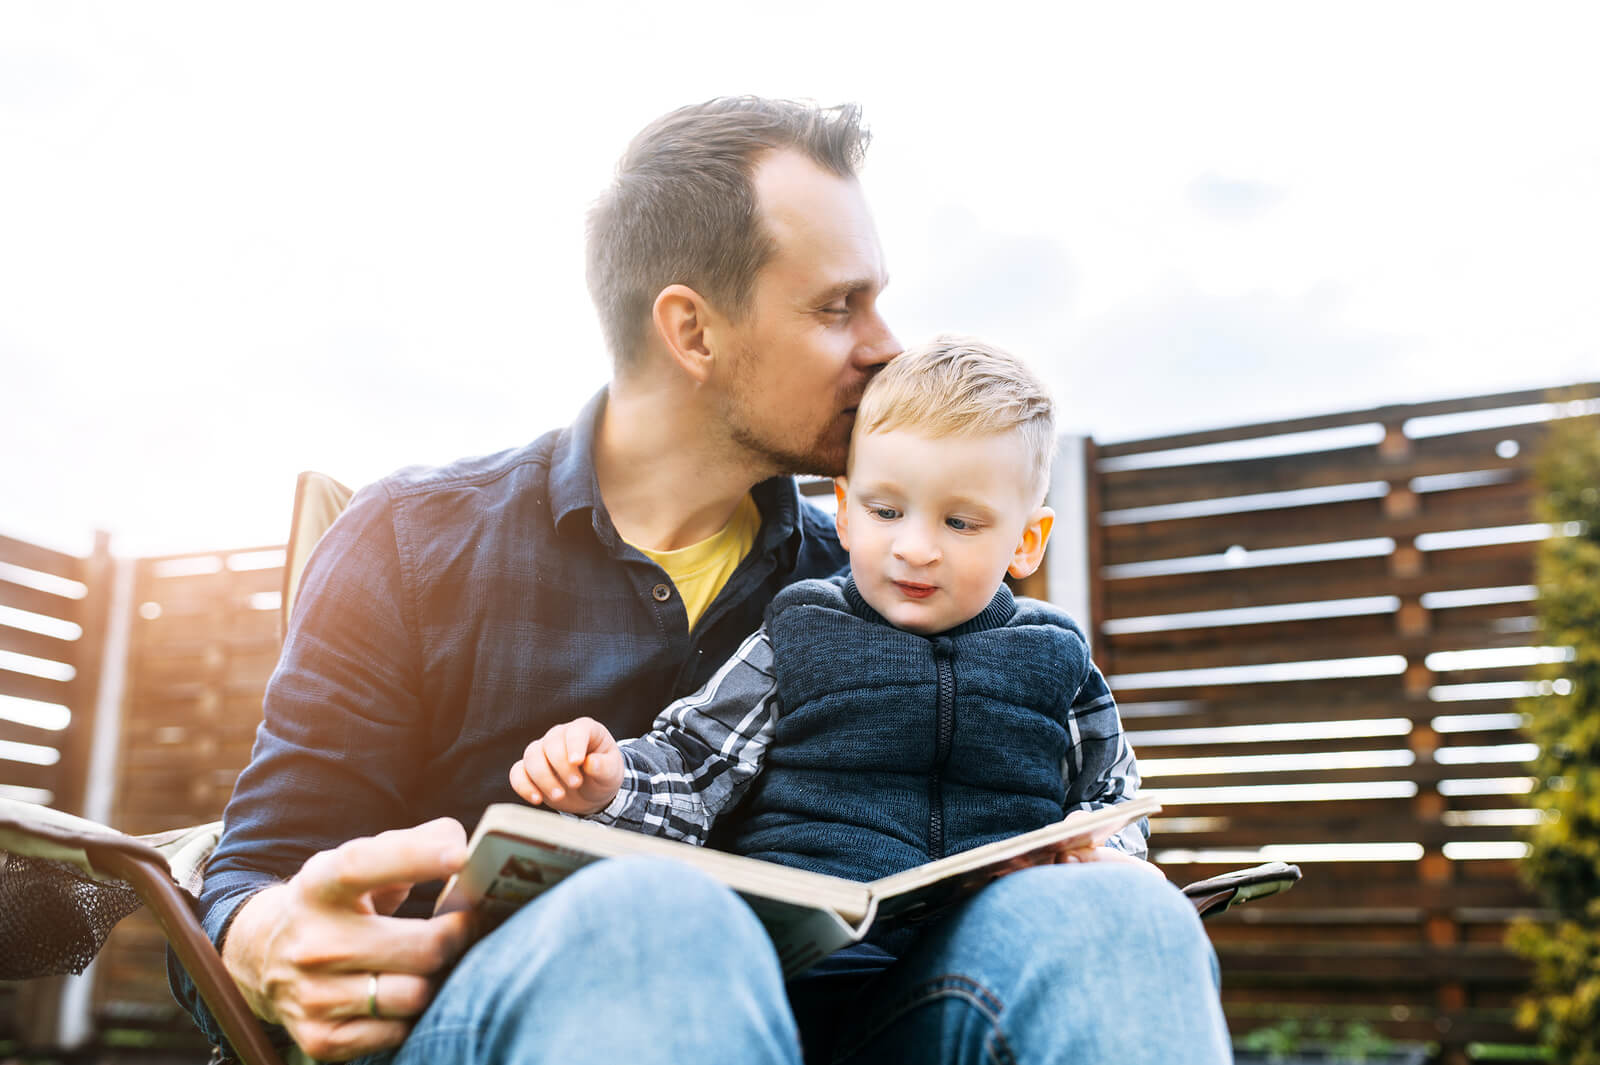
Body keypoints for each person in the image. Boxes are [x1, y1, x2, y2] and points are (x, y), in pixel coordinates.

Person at [173, 97, 1230, 1065]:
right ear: (692, 331)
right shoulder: (413, 540)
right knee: (656, 915)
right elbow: (254, 871)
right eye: (839, 306)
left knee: (1122, 919)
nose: (886, 346)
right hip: (480, 1025)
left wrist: (1087, 861)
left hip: (853, 1025)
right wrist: (265, 942)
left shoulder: (881, 590)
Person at [510, 337, 1153, 888]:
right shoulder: (801, 630)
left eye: (960, 522)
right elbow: (695, 763)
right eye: (885, 511)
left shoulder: (1055, 655)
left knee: (1126, 907)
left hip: (990, 935)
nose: (915, 548)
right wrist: (610, 784)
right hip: (822, 922)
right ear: (844, 511)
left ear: (1027, 541)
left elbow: (1112, 794)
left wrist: (1105, 853)